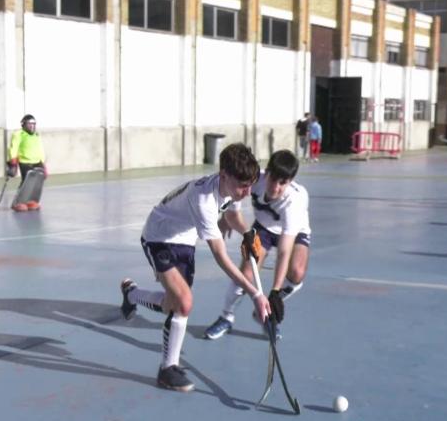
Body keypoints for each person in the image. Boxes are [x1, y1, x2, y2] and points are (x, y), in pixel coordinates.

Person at [119, 143, 274, 392]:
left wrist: (247, 234)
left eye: (250, 185)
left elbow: (233, 216)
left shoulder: (232, 189)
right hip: (159, 236)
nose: (247, 193)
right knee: (184, 302)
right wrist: (256, 293)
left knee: (174, 304)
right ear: (223, 175)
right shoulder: (203, 200)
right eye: (242, 186)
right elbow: (220, 256)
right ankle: (167, 369)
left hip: (185, 240)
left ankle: (131, 294)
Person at [204, 150, 310, 341]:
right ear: (266, 172)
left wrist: (275, 292)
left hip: (295, 231)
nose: (275, 187)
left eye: (282, 183)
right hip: (263, 227)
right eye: (272, 179)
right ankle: (226, 317)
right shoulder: (255, 180)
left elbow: (284, 251)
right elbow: (231, 195)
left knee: (296, 273)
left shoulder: (295, 201)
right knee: (245, 275)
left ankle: (268, 306)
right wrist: (227, 219)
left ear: (291, 181)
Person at [7, 114, 48, 212]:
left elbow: (40, 149)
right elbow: (14, 146)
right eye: (29, 124)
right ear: (24, 124)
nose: (32, 126)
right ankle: (18, 202)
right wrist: (13, 159)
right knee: (26, 182)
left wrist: (43, 163)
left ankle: (31, 201)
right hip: (25, 162)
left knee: (37, 183)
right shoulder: (19, 134)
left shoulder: (36, 135)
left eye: (34, 124)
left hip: (37, 162)